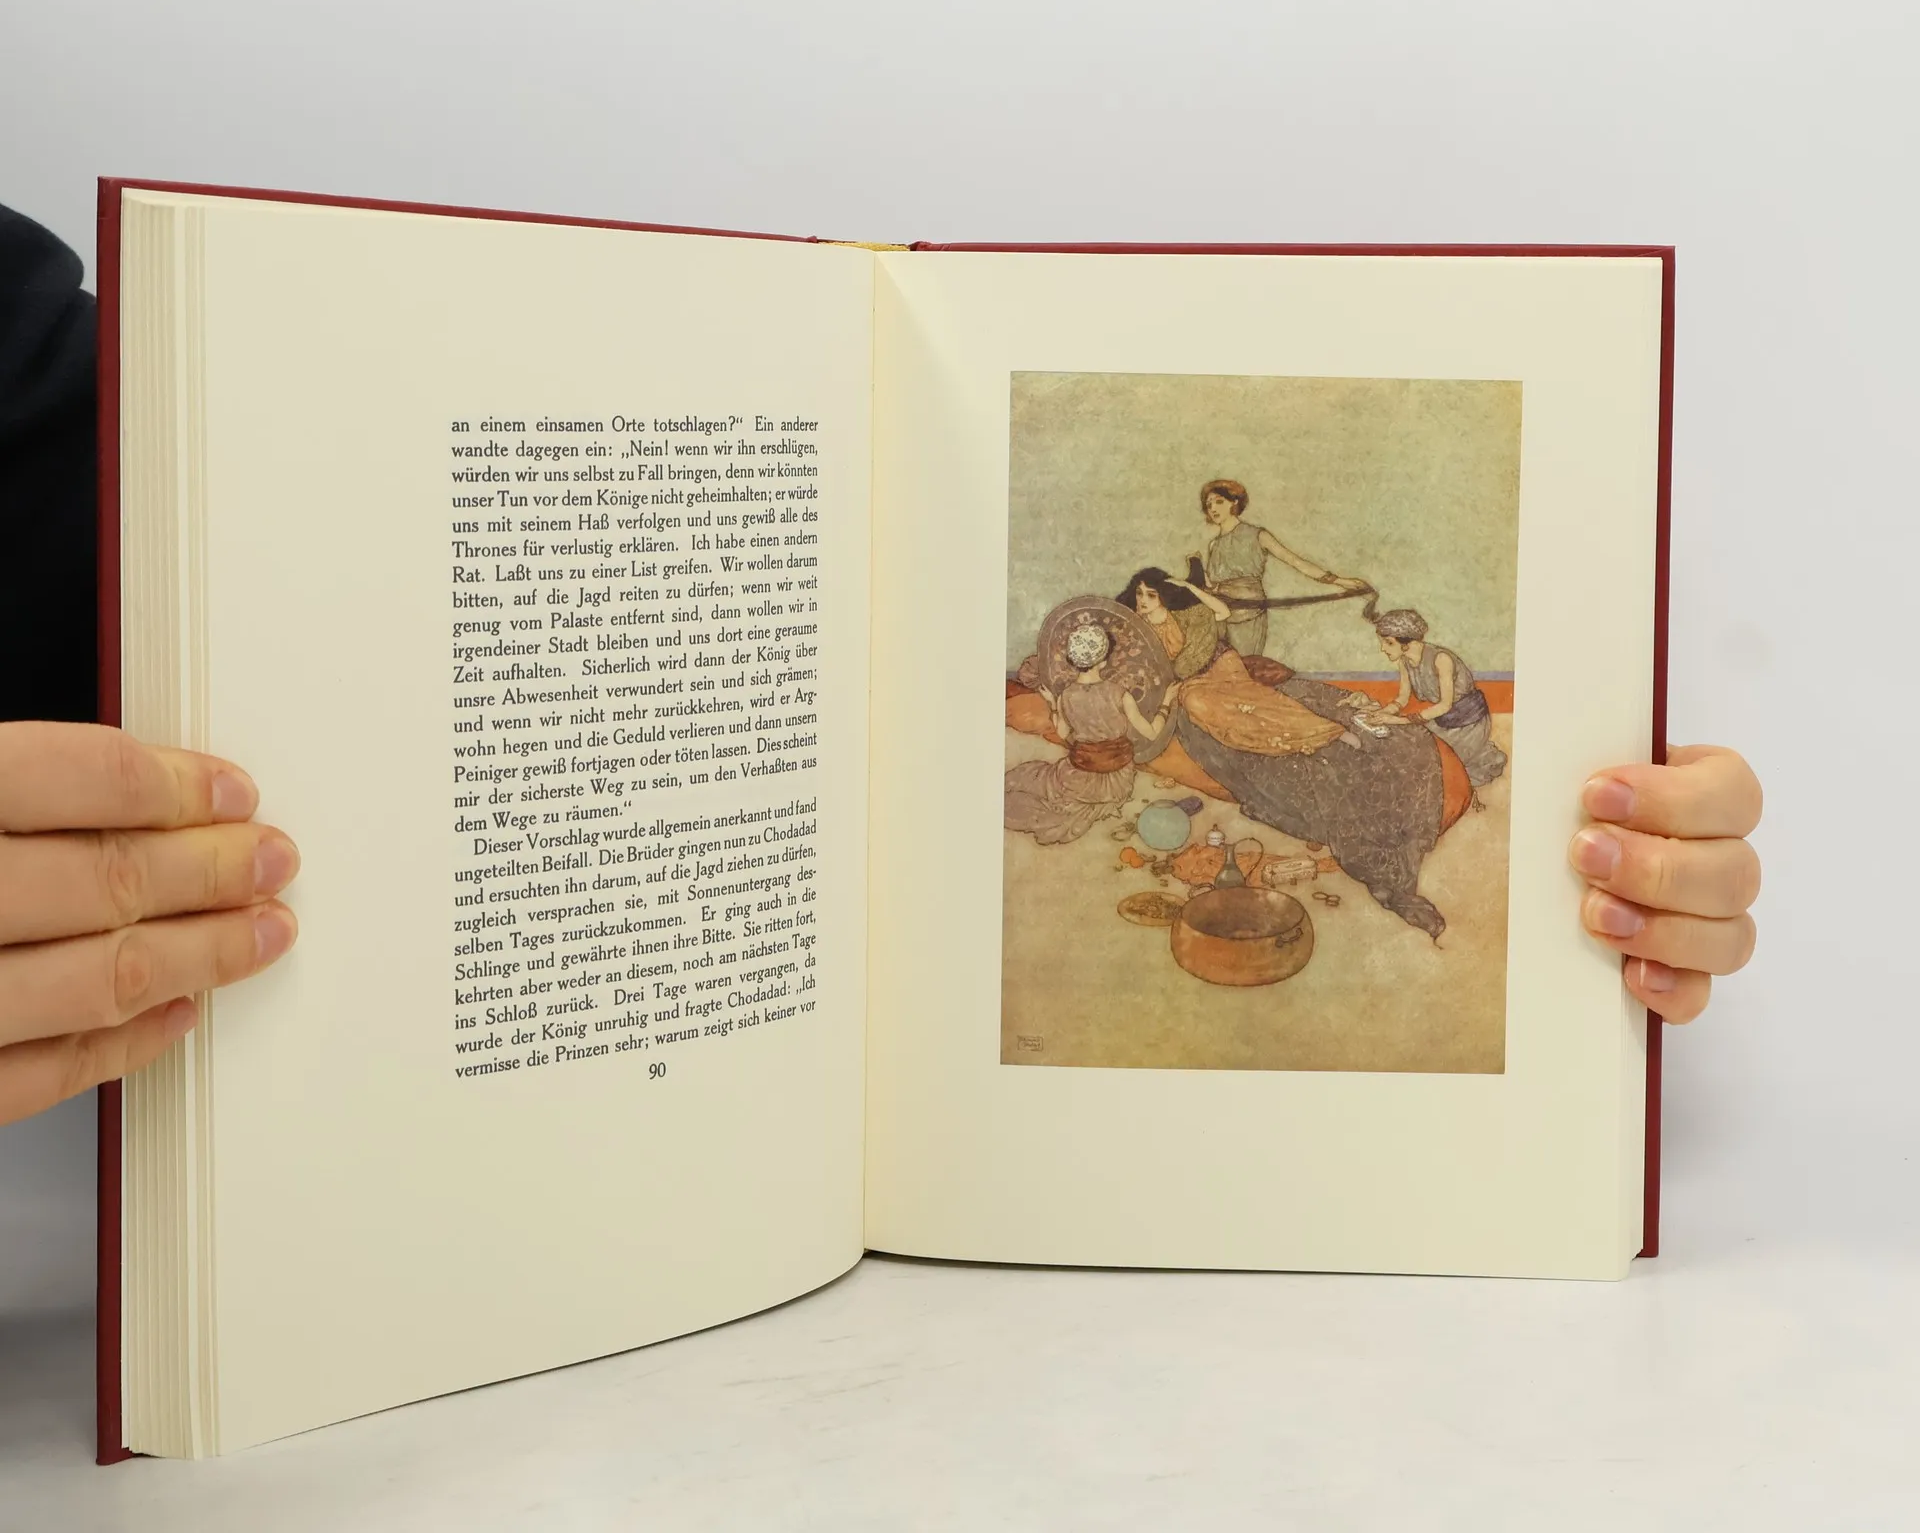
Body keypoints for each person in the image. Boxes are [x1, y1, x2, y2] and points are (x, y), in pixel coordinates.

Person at [0, 203, 1760, 1129]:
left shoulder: (62, 392)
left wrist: (1609, 820)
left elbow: (266, 624)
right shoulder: (1141, 665)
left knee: (1328, 739)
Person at [1005, 622, 1168, 844]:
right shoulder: (1120, 694)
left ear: (1073, 661)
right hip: (1118, 782)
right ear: (1103, 661)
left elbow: (1063, 734)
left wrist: (1053, 704)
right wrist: (1166, 703)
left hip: (1078, 779)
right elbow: (1152, 733)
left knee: (1031, 777)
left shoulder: (1066, 696)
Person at [1192, 478, 1368, 657]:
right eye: (1209, 504)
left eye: (1219, 502)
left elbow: (1296, 562)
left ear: (1234, 502)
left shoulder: (1257, 535)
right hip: (1218, 617)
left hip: (1248, 614)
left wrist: (1341, 581)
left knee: (1246, 667)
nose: (1213, 508)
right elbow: (1212, 586)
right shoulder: (1214, 545)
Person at [1364, 607, 1509, 792]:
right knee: (1408, 748)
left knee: (1431, 764)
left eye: (1388, 643)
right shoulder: (1404, 661)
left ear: (1406, 643)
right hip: (1443, 721)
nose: (1382, 649)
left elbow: (1444, 705)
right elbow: (1402, 698)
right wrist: (1381, 713)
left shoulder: (1441, 659)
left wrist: (1399, 721)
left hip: (1469, 723)